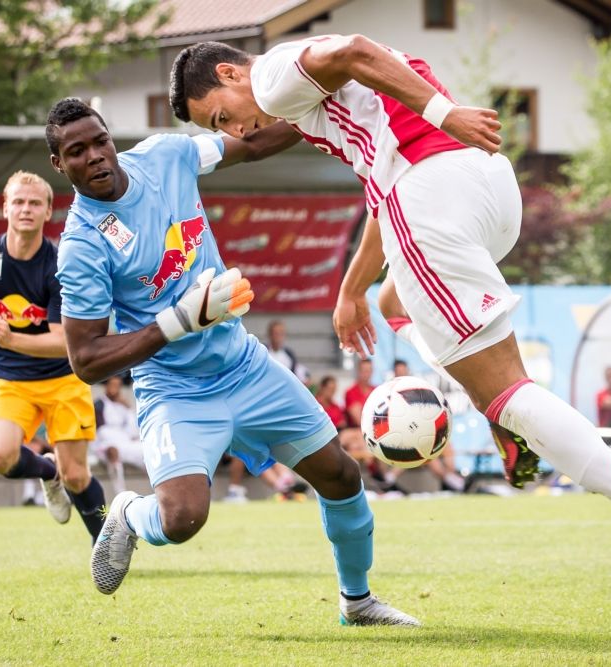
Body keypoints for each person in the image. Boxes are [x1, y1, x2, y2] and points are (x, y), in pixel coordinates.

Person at [171, 37, 611, 594]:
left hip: (433, 192)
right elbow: (384, 179)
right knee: (392, 303)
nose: (237, 130)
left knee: (504, 390)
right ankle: (508, 419)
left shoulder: (273, 77)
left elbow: (354, 53)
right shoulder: (312, 95)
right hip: (484, 186)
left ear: (230, 73)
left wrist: (447, 113)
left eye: (222, 116)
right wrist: (352, 288)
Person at [49, 96, 418, 626]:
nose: (94, 157)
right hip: (175, 388)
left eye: (99, 141)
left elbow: (254, 141)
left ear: (111, 138)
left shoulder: (165, 156)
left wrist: (326, 102)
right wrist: (179, 321)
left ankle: (357, 602)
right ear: (59, 164)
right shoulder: (82, 245)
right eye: (77, 152)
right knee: (181, 518)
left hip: (245, 366)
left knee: (340, 474)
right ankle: (129, 513)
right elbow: (85, 359)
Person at [0, 170, 106, 542]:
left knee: (77, 476)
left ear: (48, 212)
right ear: (5, 208)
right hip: (11, 381)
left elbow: (63, 341)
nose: (26, 209)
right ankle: (47, 472)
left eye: (35, 203)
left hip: (64, 378)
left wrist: (10, 340)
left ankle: (106, 544)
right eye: (19, 202)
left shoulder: (59, 265)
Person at [94, 374, 144, 496]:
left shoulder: (123, 405)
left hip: (126, 442)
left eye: (117, 386)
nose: (114, 389)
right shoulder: (99, 404)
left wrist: (128, 408)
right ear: (106, 386)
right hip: (105, 443)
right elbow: (101, 431)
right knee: (113, 451)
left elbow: (133, 431)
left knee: (148, 450)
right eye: (112, 385)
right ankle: (120, 493)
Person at [343, 359, 375, 429]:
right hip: (358, 429)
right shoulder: (351, 392)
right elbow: (359, 421)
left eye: (369, 370)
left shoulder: (376, 391)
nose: (367, 374)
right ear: (359, 371)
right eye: (364, 371)